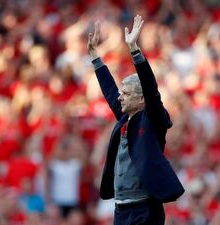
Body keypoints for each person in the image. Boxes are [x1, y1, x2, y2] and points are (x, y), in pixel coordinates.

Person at [87, 15, 185, 225]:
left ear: (141, 99)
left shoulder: (153, 119)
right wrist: (96, 58)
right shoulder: (125, 119)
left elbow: (151, 89)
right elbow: (110, 91)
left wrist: (134, 51)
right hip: (121, 208)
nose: (121, 97)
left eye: (127, 93)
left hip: (144, 208)